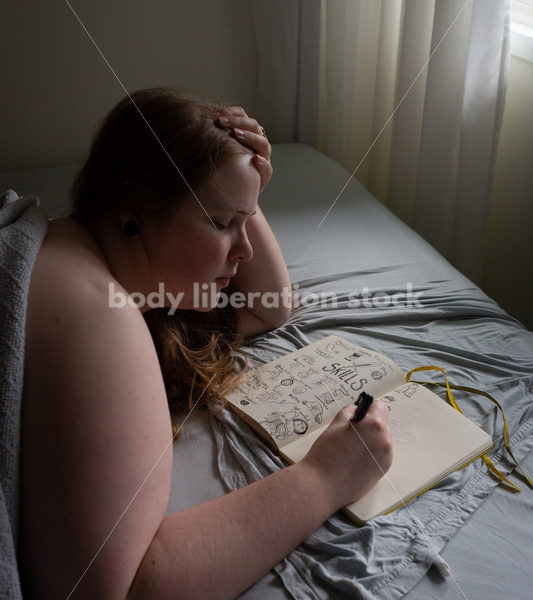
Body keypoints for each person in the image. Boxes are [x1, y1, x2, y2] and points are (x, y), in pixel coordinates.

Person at [19, 88, 393, 599]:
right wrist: (325, 478)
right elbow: (115, 589)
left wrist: (242, 180)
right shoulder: (96, 308)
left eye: (246, 221)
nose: (245, 249)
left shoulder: (94, 257)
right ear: (135, 214)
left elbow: (269, 305)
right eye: (220, 224)